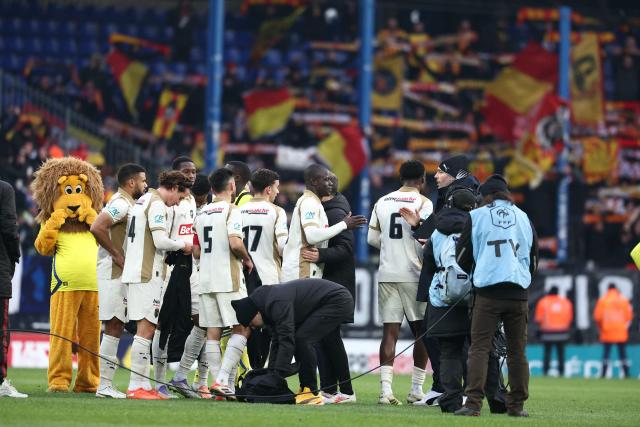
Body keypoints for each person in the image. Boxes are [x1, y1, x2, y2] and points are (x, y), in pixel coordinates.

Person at [454, 174, 538, 417]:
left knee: (479, 348)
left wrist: (476, 271)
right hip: (518, 293)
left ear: (485, 196)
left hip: (488, 292)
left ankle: (472, 404)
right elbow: (534, 258)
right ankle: (516, 405)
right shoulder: (524, 217)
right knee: (516, 352)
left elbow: (461, 255)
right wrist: (523, 278)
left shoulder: (476, 216)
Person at [121, 171, 193, 400]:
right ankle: (136, 386)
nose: (178, 203)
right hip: (146, 272)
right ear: (173, 187)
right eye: (180, 197)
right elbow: (161, 241)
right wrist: (183, 244)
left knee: (148, 327)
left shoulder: (142, 201)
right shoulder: (157, 204)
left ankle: (143, 384)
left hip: (137, 269)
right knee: (146, 329)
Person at [368, 160, 433, 405]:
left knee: (390, 332)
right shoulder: (424, 203)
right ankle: (416, 389)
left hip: (387, 272)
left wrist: (392, 248)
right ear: (422, 180)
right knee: (422, 333)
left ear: (400, 178)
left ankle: (385, 391)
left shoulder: (382, 201)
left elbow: (372, 238)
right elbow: (427, 239)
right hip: (414, 274)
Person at [231, 278, 354, 406]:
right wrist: (272, 373)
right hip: (330, 299)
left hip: (337, 299)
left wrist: (278, 374)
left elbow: (287, 338)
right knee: (314, 341)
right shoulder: (265, 303)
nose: (254, 328)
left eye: (251, 324)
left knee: (303, 339)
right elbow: (277, 339)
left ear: (255, 314)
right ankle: (341, 392)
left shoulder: (276, 303)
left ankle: (310, 391)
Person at [194, 168, 253, 398]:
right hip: (228, 278)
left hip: (206, 278)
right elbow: (236, 243)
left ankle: (219, 386)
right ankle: (221, 380)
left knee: (213, 332)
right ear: (232, 187)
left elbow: (197, 251)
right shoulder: (232, 210)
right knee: (242, 327)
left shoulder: (201, 213)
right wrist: (247, 259)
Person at [90, 163, 147, 398]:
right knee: (113, 325)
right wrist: (116, 254)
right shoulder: (121, 204)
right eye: (143, 181)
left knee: (117, 325)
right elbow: (97, 226)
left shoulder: (130, 203)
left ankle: (106, 384)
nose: (146, 185)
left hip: (120, 272)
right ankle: (103, 385)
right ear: (131, 182)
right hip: (113, 271)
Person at [301, 172, 357, 404]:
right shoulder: (334, 208)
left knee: (329, 337)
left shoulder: (334, 212)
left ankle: (345, 390)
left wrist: (320, 255)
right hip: (332, 283)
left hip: (335, 283)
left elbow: (346, 247)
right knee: (325, 337)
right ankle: (331, 389)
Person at [153, 156, 197, 399]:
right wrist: (179, 246)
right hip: (169, 264)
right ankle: (157, 381)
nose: (191, 175)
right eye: (186, 171)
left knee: (188, 322)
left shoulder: (190, 200)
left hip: (187, 267)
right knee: (161, 323)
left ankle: (179, 377)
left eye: (193, 171)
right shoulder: (168, 203)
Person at [282, 164, 366, 282]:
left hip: (302, 271)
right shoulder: (309, 203)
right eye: (326, 180)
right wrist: (344, 224)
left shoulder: (314, 203)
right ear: (314, 181)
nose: (330, 183)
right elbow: (311, 236)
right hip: (300, 271)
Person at [169, 174, 212, 398]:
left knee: (206, 324)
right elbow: (194, 249)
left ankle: (198, 381)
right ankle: (182, 378)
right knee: (203, 323)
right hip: (191, 272)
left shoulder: (205, 208)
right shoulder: (183, 207)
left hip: (194, 272)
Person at [239, 169, 288, 369]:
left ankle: (252, 371)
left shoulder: (237, 210)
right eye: (276, 187)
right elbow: (284, 245)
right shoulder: (277, 211)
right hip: (268, 278)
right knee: (270, 327)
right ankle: (264, 373)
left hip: (244, 277)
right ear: (268, 189)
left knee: (247, 325)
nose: (277, 192)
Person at [0, 180, 27, 398]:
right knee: (1, 331)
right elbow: (9, 228)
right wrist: (15, 255)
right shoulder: (4, 189)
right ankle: (0, 382)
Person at [594, 284, 633, 378]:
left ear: (608, 289)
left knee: (606, 354)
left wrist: (601, 327)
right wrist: (623, 327)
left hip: (607, 331)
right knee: (623, 354)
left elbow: (597, 317)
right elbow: (629, 317)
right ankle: (626, 374)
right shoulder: (624, 300)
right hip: (621, 331)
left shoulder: (603, 300)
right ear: (616, 289)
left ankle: (603, 374)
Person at [534, 286, 573, 377]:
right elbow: (570, 318)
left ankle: (545, 371)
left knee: (547, 353)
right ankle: (561, 372)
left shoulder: (543, 302)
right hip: (562, 333)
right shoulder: (566, 302)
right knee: (561, 353)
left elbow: (538, 319)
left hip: (547, 333)